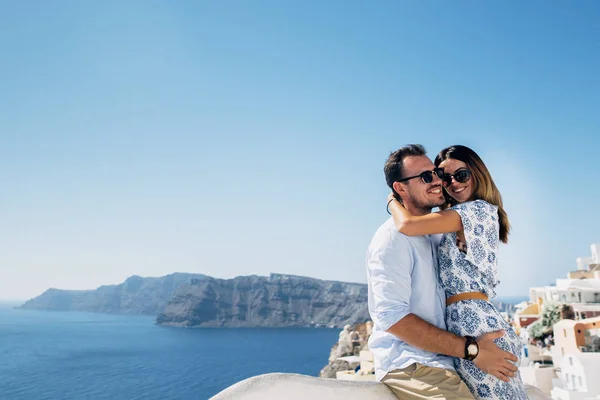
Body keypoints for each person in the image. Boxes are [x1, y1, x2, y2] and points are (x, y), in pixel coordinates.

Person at [367, 144, 518, 400]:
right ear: (400, 187)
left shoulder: (457, 222)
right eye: (430, 176)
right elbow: (391, 317)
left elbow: (411, 223)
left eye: (437, 173)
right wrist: (472, 350)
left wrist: (392, 202)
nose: (440, 181)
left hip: (466, 342)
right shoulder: (393, 238)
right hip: (414, 361)